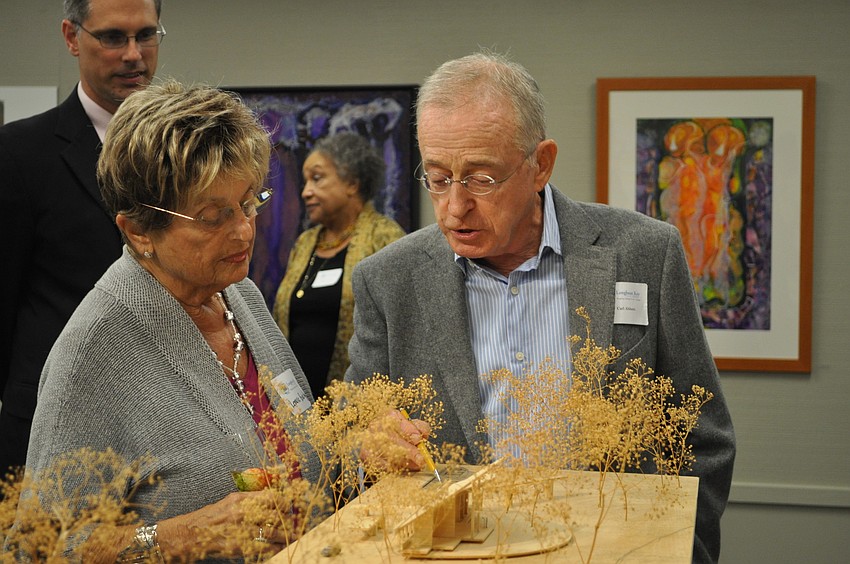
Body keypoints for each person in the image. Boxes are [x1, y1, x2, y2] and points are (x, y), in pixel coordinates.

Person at [344, 52, 736, 563]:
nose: (455, 207)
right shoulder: (389, 280)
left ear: (540, 164)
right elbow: (354, 440)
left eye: (481, 179)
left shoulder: (643, 253)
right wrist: (368, 445)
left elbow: (703, 441)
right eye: (438, 178)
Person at [15, 80, 320, 561]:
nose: (243, 230)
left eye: (248, 203)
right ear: (138, 230)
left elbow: (293, 445)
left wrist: (360, 448)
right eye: (212, 216)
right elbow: (38, 551)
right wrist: (187, 534)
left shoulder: (239, 293)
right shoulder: (94, 353)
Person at [0, 0, 164, 479]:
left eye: (147, 35)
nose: (134, 54)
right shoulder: (19, 154)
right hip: (53, 424)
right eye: (113, 37)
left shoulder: (182, 150)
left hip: (164, 418)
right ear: (72, 37)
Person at [273, 132, 405, 399]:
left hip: (359, 406)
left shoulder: (385, 237)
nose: (306, 191)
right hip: (298, 406)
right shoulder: (305, 243)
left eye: (317, 178)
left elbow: (402, 329)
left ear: (352, 184)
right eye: (305, 181)